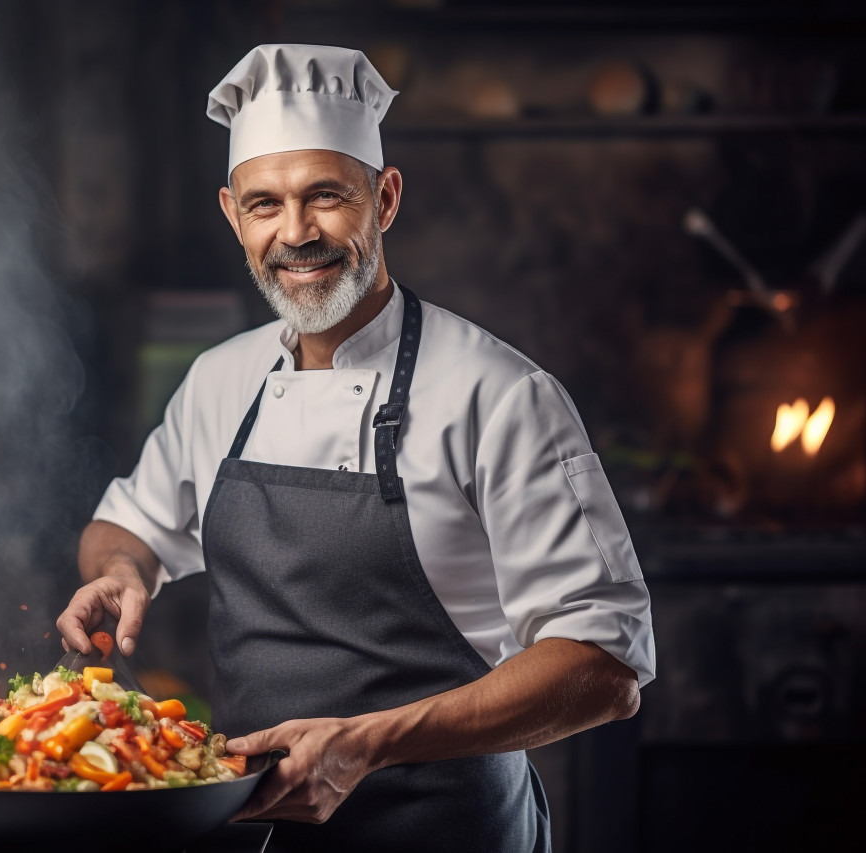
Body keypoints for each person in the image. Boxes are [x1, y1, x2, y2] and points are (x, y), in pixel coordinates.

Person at [58, 44, 655, 853]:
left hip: (448, 834)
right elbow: (124, 526)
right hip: (252, 835)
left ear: (386, 195)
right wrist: (122, 571)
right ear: (233, 215)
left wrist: (366, 743)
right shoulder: (219, 379)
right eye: (265, 204)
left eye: (326, 196)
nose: (296, 233)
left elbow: (604, 666)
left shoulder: (499, 393)